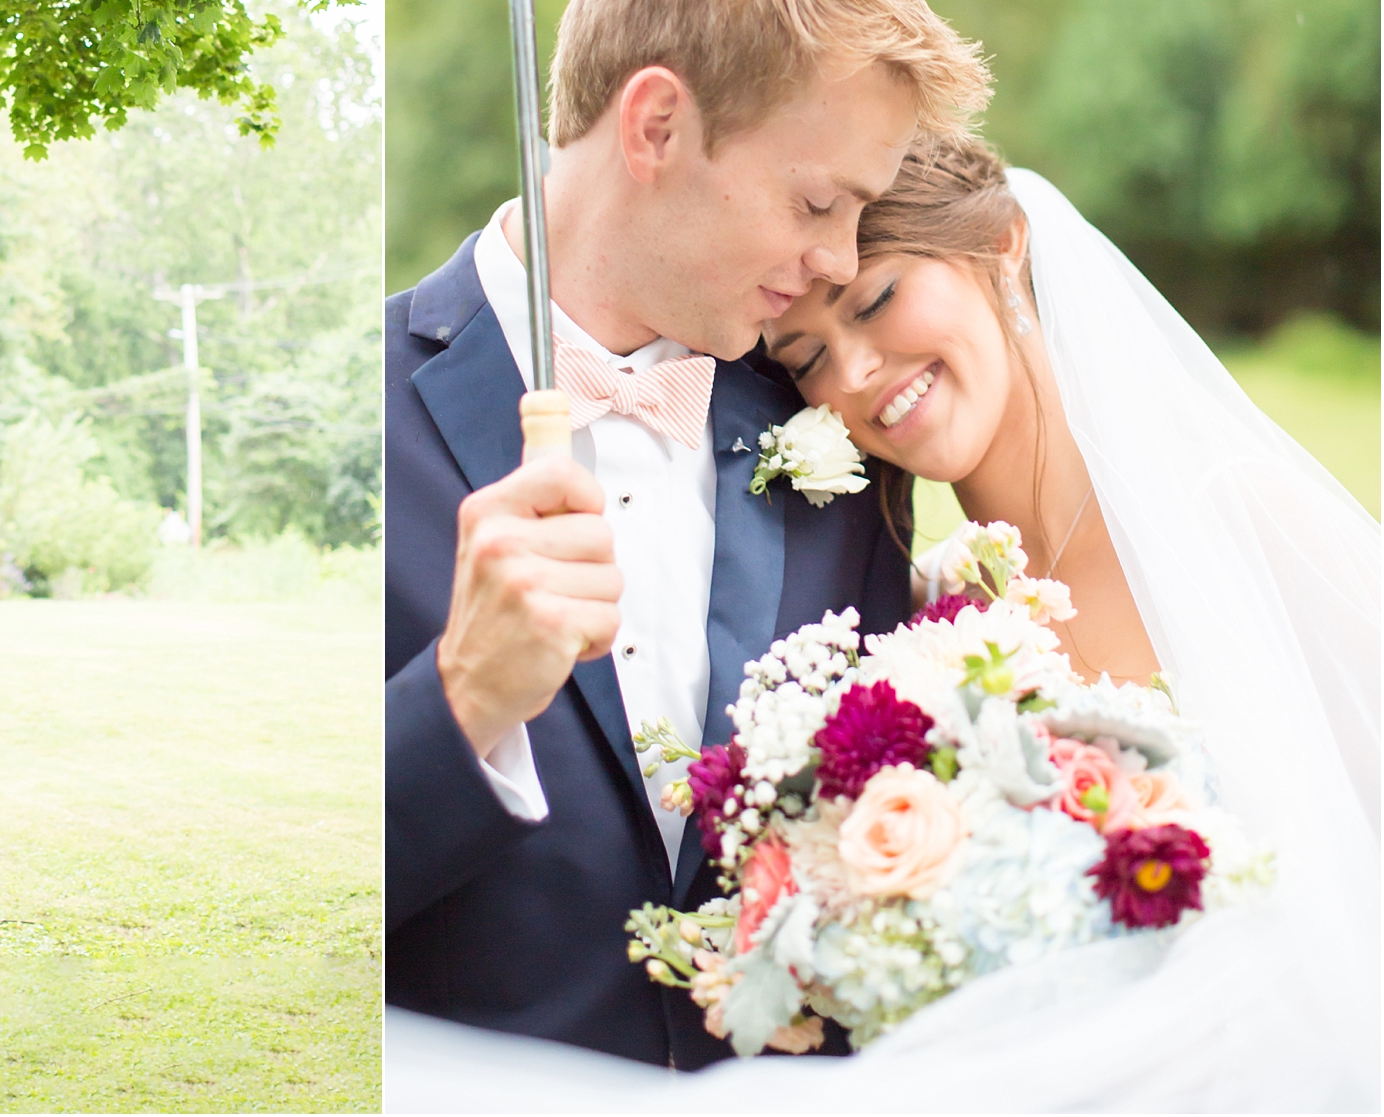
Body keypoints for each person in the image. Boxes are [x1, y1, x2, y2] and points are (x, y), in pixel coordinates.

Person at [386, 134, 1380, 1110]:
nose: (854, 372)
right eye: (806, 353)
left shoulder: (1241, 521)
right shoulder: (932, 620)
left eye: (875, 300)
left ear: (1003, 245)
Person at [385, 0, 993, 1067]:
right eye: (818, 200)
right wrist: (459, 701)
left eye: (858, 216)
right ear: (655, 125)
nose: (834, 257)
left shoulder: (832, 436)